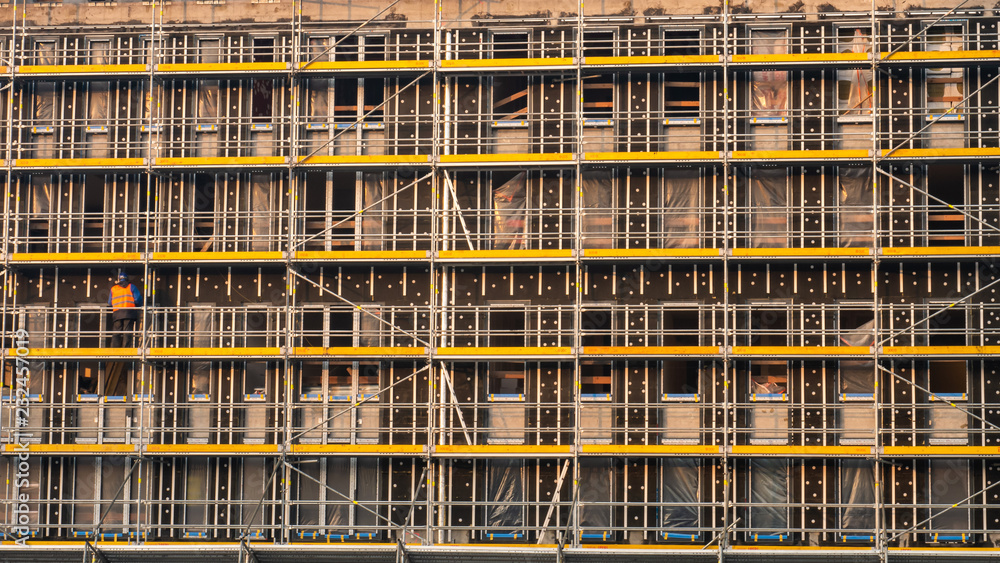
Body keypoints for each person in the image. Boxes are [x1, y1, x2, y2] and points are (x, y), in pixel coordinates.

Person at [108, 271, 143, 347]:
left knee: (116, 332)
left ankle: (114, 348)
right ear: (127, 279)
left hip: (117, 313)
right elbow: (137, 299)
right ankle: (126, 348)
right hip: (129, 312)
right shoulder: (131, 287)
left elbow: (110, 303)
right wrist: (139, 306)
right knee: (127, 331)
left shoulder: (113, 289)